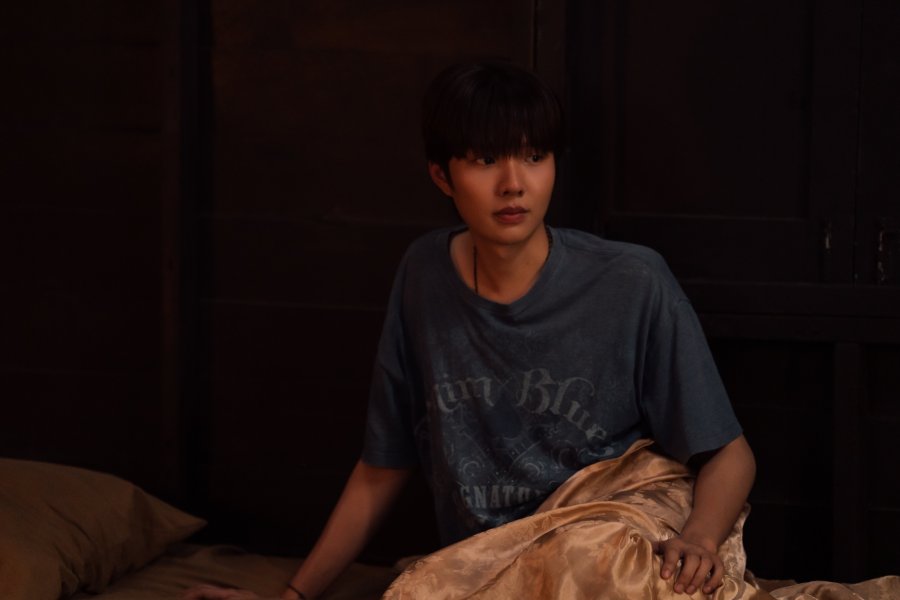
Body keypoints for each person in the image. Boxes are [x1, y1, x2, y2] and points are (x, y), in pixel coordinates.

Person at [183, 60, 756, 600]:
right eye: (485, 160)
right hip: (495, 560)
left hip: (615, 532)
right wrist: (295, 595)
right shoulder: (424, 276)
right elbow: (382, 465)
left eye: (534, 157)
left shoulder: (631, 280)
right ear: (442, 175)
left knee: (599, 561)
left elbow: (730, 455)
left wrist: (700, 539)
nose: (514, 184)